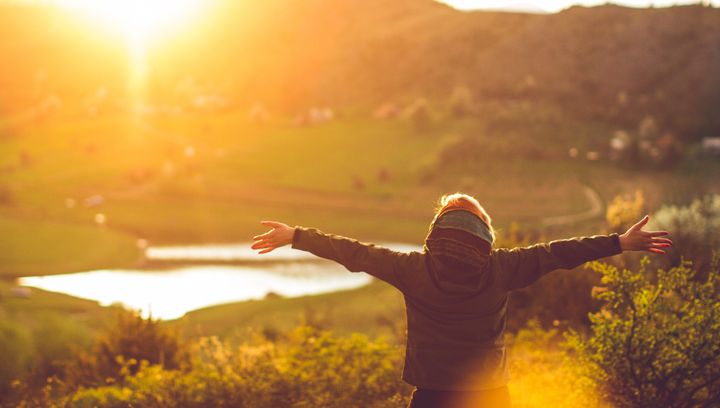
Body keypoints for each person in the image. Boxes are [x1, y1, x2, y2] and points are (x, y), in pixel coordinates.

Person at [251, 193, 672, 408]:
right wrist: (618, 242)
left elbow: (356, 252)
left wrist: (297, 236)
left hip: (431, 395)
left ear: (437, 232)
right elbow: (561, 252)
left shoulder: (412, 268)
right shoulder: (502, 268)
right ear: (483, 234)